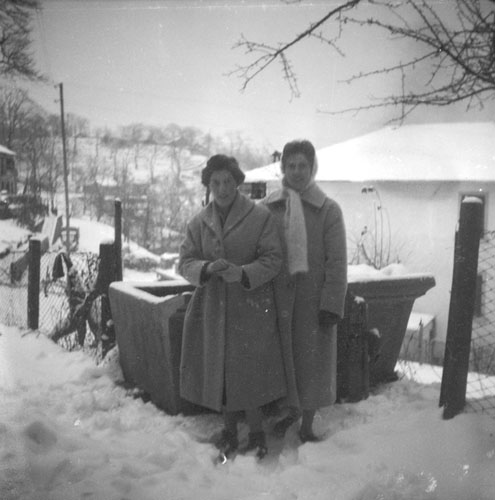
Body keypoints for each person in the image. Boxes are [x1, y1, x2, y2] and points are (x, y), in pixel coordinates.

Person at [178, 154, 287, 459]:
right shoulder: (198, 222)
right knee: (221, 373)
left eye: (228, 181)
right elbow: (184, 263)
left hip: (249, 307)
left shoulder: (259, 217)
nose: (222, 188)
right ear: (208, 185)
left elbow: (273, 260)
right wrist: (205, 268)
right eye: (216, 183)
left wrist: (242, 273)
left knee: (249, 372)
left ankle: (256, 433)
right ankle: (229, 432)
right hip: (212, 308)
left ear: (237, 182)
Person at [264, 139, 348, 443]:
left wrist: (331, 303)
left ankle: (307, 424)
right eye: (291, 165)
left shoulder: (328, 210)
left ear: (313, 168)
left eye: (303, 165)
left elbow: (337, 262)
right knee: (281, 359)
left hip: (312, 302)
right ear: (283, 168)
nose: (297, 171)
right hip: (277, 299)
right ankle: (288, 412)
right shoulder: (268, 208)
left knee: (312, 363)